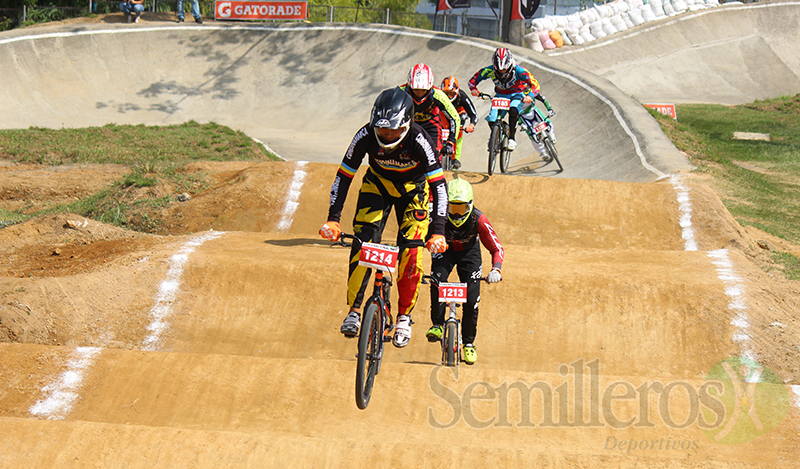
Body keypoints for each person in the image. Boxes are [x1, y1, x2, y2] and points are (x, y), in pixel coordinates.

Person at [319, 87, 449, 349]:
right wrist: (333, 218)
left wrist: (438, 231)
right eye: (382, 130)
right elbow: (343, 176)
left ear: (407, 124)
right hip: (377, 186)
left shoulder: (420, 139)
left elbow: (439, 187)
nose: (387, 135)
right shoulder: (365, 134)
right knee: (362, 243)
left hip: (414, 191)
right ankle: (355, 311)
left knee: (412, 252)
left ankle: (404, 317)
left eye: (394, 131)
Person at [426, 178, 504, 365]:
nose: (456, 214)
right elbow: (419, 236)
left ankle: (469, 343)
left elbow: (496, 248)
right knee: (436, 279)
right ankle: (437, 324)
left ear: (471, 205)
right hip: (445, 251)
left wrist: (496, 269)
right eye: (453, 208)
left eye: (462, 209)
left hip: (470, 254)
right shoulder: (436, 216)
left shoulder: (479, 219)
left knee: (471, 301)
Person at [468, 47, 548, 152]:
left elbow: (535, 84)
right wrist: (474, 89)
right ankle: (496, 134)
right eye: (499, 70)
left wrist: (530, 96)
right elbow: (472, 81)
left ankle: (512, 138)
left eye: (504, 69)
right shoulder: (489, 70)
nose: (502, 72)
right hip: (500, 96)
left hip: (516, 95)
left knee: (514, 110)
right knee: (492, 118)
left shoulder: (520, 71)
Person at [400, 63, 461, 168]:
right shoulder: (400, 92)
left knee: (435, 156)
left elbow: (454, 118)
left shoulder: (438, 95)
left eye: (423, 90)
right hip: (409, 124)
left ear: (430, 87)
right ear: (409, 86)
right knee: (402, 154)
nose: (419, 93)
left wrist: (450, 142)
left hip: (431, 124)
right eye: (416, 89)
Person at [440, 76, 479, 170]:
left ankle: (455, 158)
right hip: (444, 113)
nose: (449, 96)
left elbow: (474, 114)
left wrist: (471, 125)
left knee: (459, 130)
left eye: (451, 93)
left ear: (457, 92)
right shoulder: (438, 96)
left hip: (459, 113)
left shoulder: (462, 96)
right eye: (446, 93)